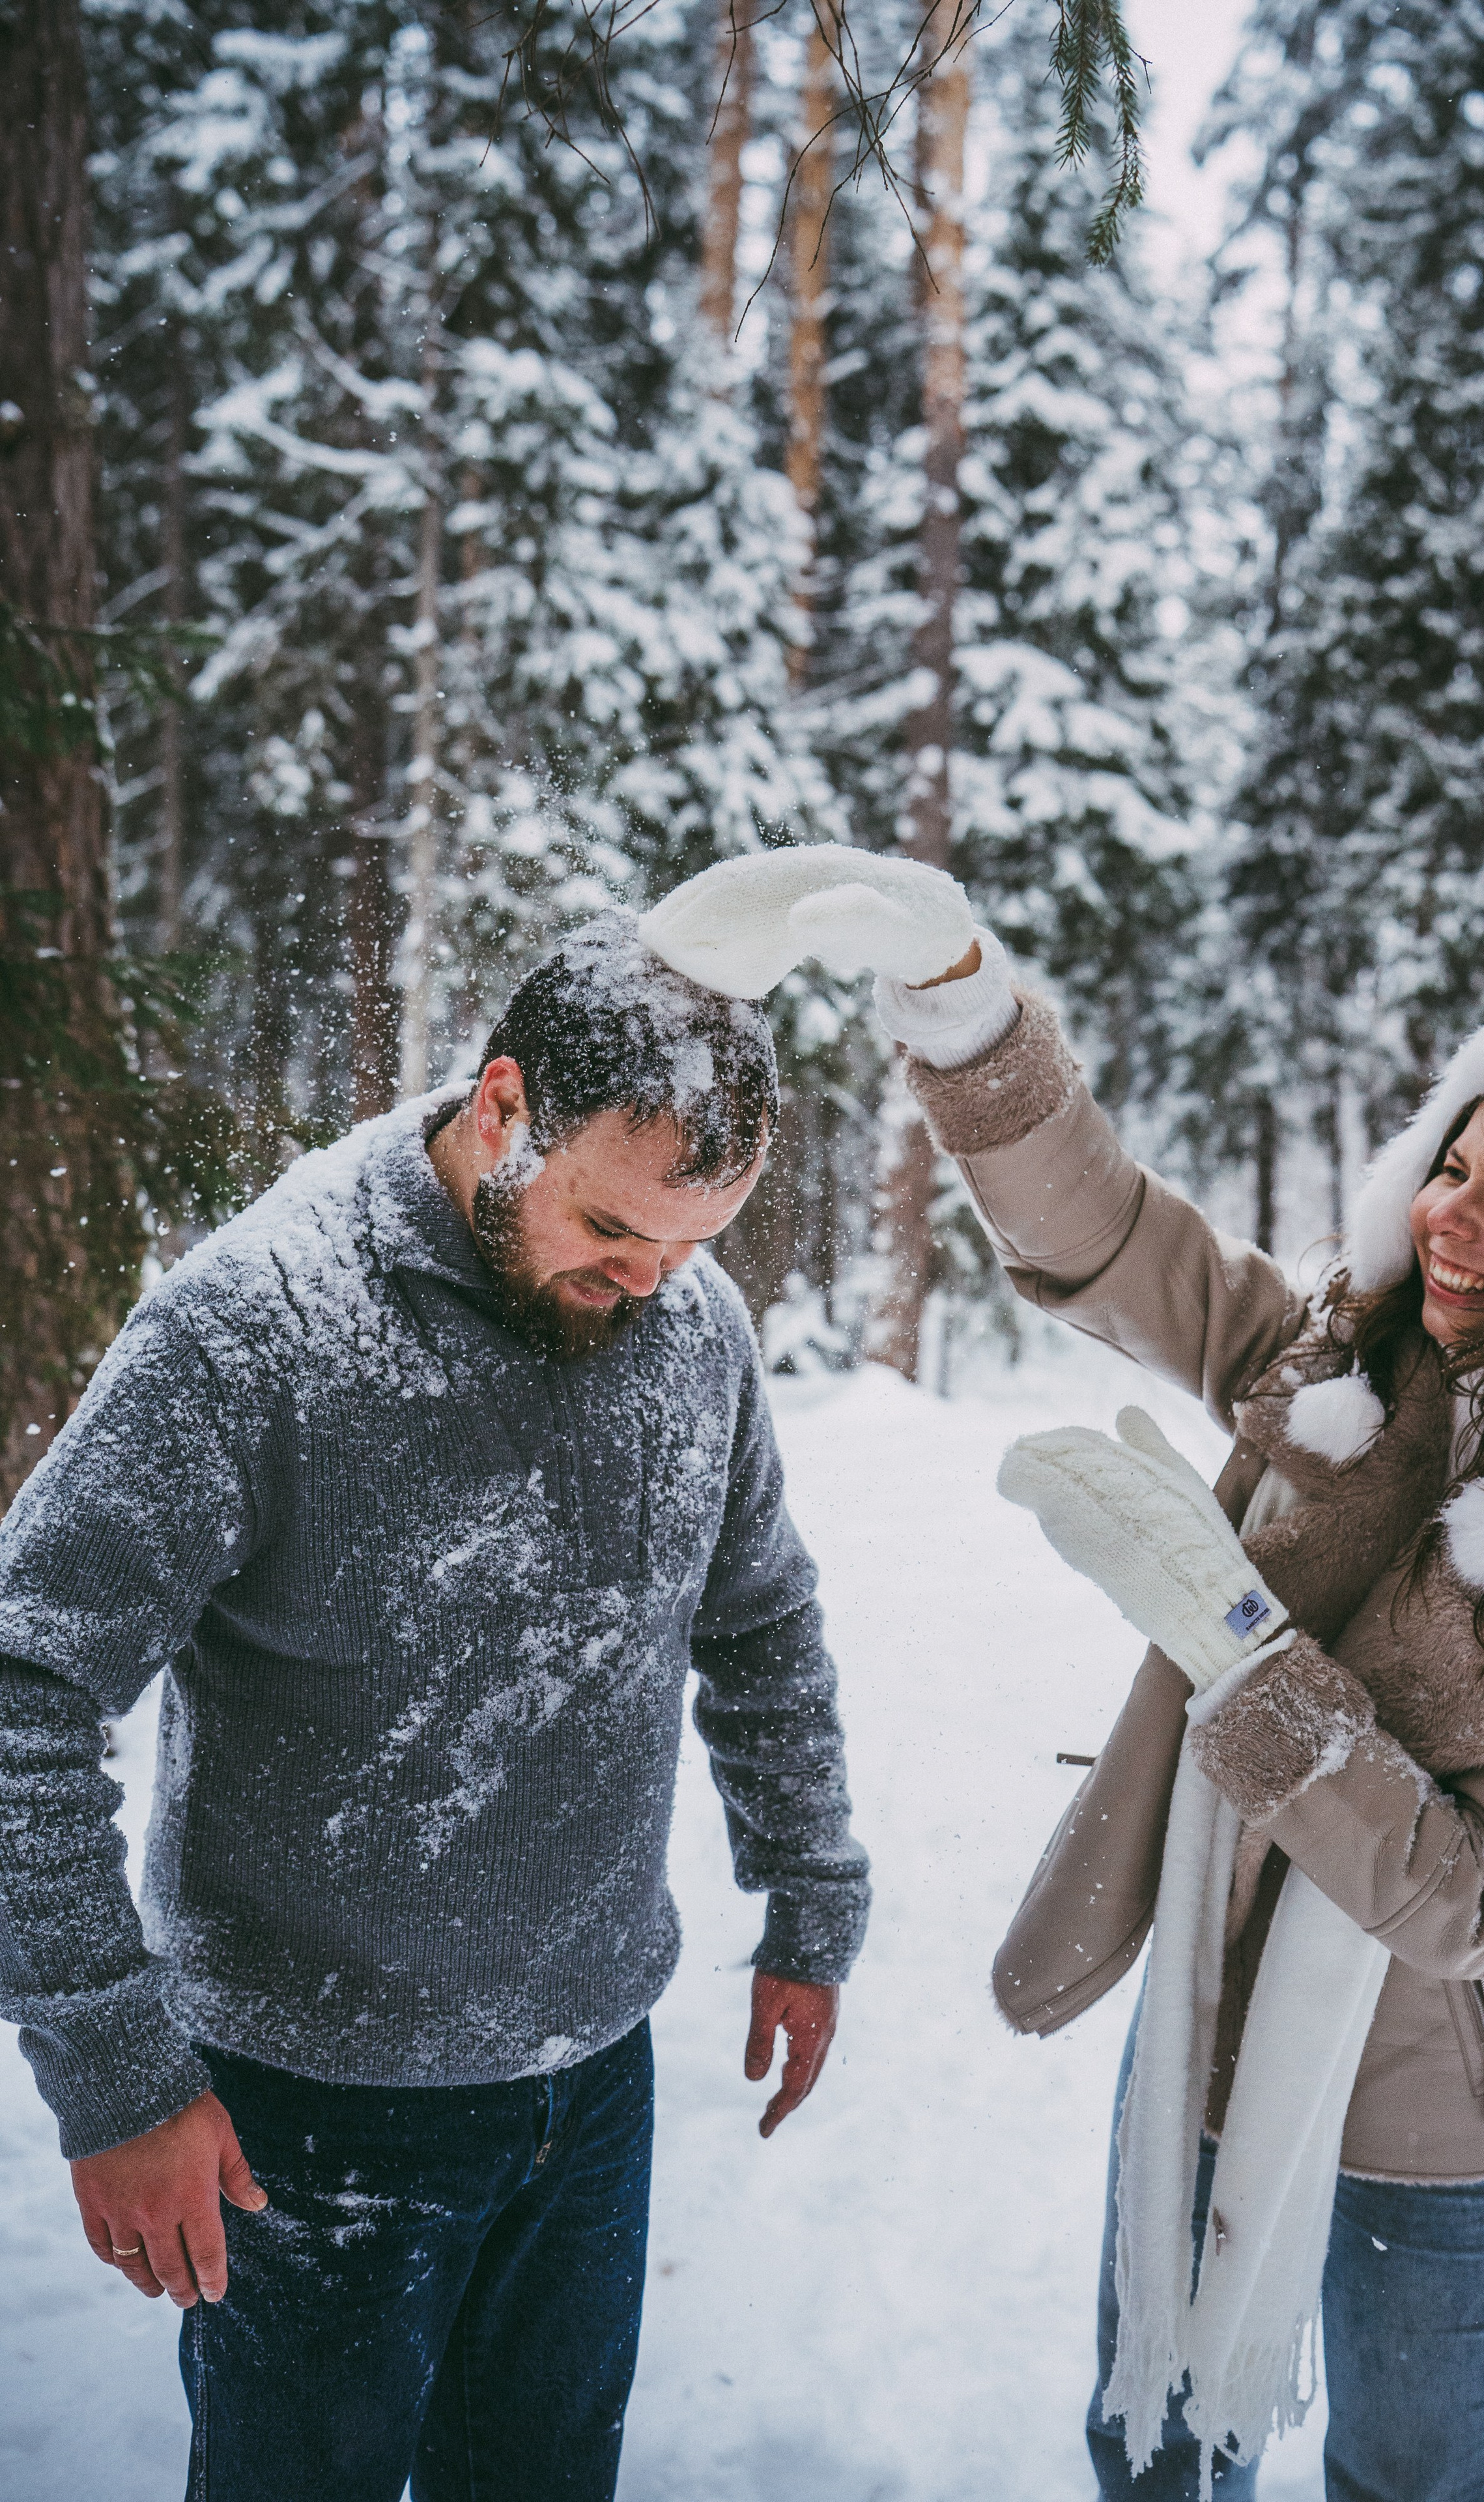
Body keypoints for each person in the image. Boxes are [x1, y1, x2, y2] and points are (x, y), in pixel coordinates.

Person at [0, 909, 870, 2502]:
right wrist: (116, 2076)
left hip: (590, 2088)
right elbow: (20, 1696)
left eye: (697, 1246)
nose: (654, 1284)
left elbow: (756, 1621)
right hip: (310, 2125)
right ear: (502, 1107)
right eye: (615, 1229)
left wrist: (810, 1894)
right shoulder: (255, 1328)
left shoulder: (690, 1326)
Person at [866, 925, 1484, 2501]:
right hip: (1203, 2050)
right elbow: (1112, 1239)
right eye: (1453, 1163)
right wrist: (971, 1032)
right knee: (1151, 2455)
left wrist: (1250, 1668)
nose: (1454, 1217)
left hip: (1444, 2141)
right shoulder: (1326, 1373)